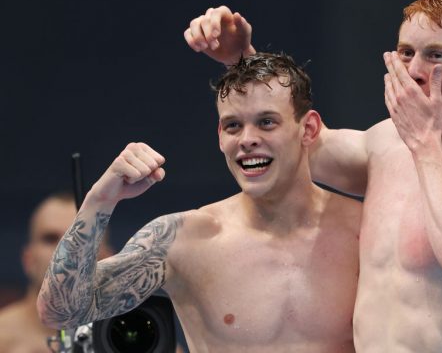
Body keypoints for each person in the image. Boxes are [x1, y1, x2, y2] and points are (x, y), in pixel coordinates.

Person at [185, 0, 442, 352]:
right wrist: (241, 61)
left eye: (435, 55)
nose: (414, 70)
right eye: (405, 53)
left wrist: (425, 144)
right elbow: (296, 144)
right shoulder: (386, 144)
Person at [37, 53, 362, 352]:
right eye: (233, 126)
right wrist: (100, 199)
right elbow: (60, 311)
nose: (247, 139)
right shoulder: (183, 239)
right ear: (220, 135)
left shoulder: (363, 230)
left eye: (266, 122)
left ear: (308, 129)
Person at [0, 192, 112, 353]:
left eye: (82, 237)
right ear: (28, 260)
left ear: (106, 259)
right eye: (50, 239)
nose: (64, 250)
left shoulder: (131, 337)